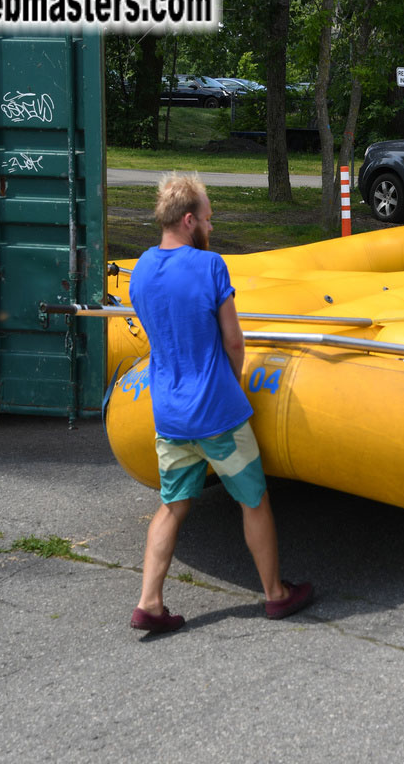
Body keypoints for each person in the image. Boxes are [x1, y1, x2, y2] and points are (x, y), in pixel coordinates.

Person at [127, 173, 313, 634]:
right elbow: (233, 342)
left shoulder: (141, 270)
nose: (212, 224)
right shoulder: (212, 268)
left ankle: (149, 602)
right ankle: (275, 594)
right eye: (208, 217)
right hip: (217, 414)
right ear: (189, 220)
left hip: (169, 413)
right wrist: (232, 384)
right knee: (254, 502)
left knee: (172, 505)